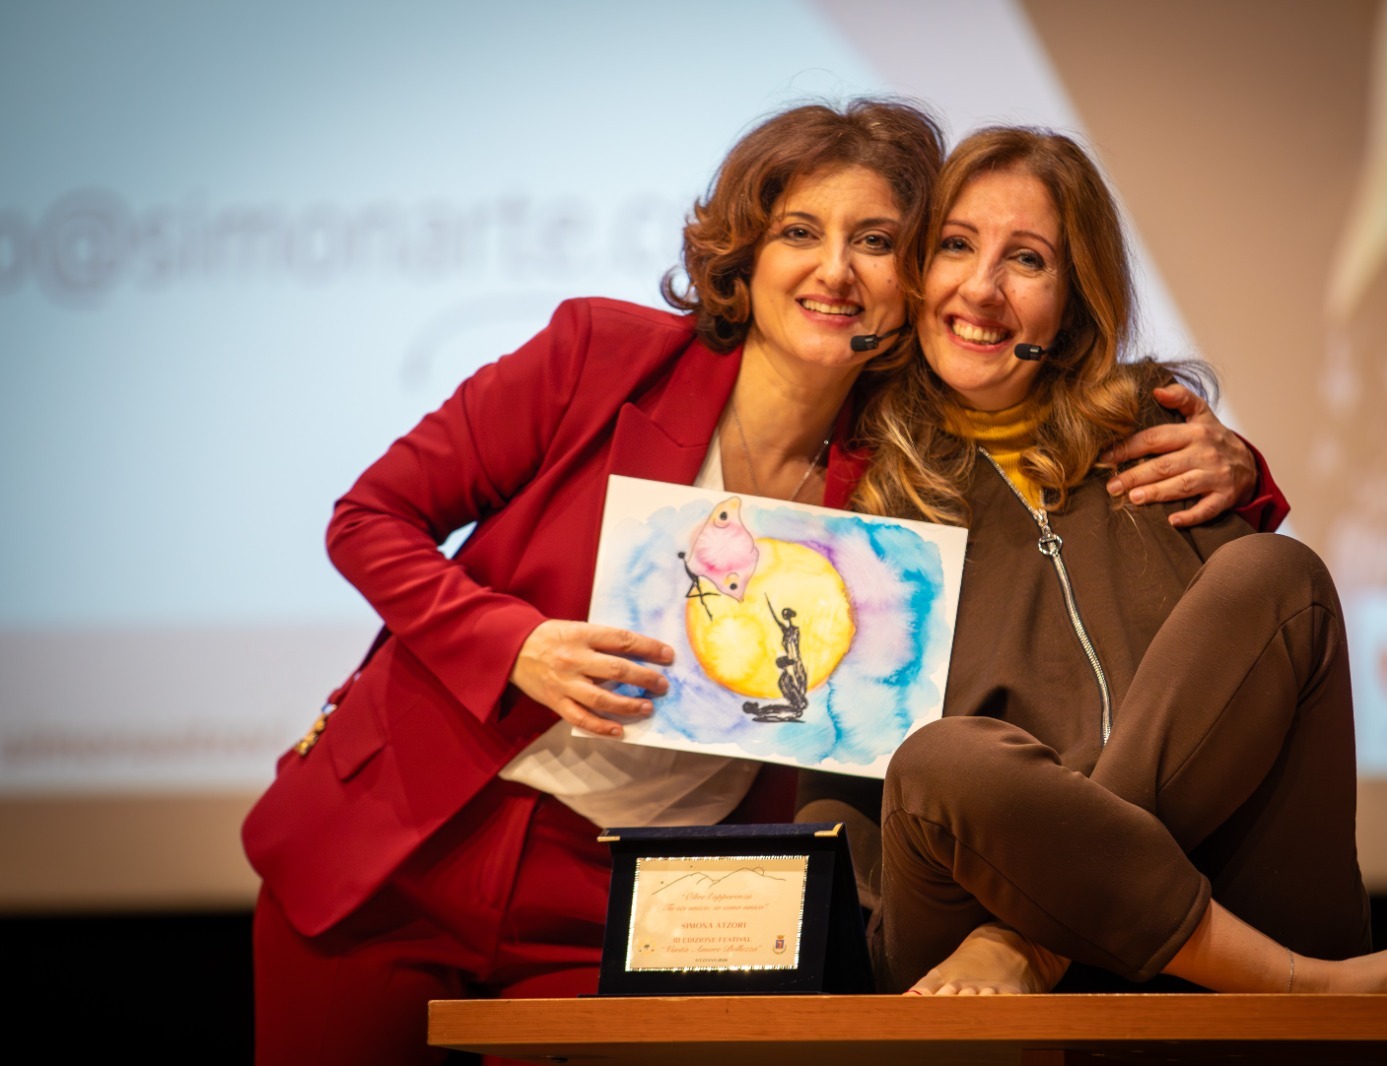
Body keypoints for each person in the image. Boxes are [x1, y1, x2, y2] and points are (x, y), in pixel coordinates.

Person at [242, 99, 1286, 1064]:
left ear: (911, 278)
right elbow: (369, 519)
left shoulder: (907, 459)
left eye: (874, 241)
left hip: (626, 899)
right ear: (745, 254)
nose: (835, 270)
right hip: (406, 847)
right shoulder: (598, 356)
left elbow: (1071, 445)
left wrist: (1241, 467)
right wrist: (515, 643)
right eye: (799, 231)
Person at [804, 126, 1387, 997]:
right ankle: (1298, 984)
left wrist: (1042, 914)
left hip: (1206, 915)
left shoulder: (1165, 444)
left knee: (1278, 576)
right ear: (916, 273)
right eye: (955, 246)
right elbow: (832, 778)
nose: (980, 288)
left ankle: (1036, 942)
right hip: (959, 939)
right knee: (942, 760)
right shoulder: (869, 490)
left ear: (1074, 302)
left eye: (1026, 260)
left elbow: (1262, 672)